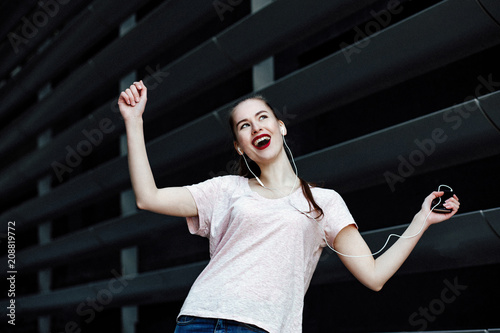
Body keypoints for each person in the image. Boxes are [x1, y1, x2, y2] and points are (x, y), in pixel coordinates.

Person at [118, 81, 460, 333]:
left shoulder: (324, 201)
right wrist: (134, 121)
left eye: (262, 118)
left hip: (264, 327)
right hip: (201, 317)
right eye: (244, 126)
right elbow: (148, 197)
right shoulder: (225, 189)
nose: (256, 128)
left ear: (280, 127)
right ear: (240, 147)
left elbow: (374, 276)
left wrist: (421, 220)